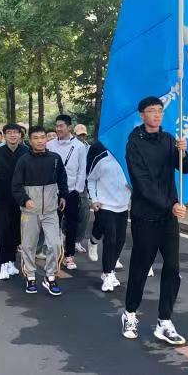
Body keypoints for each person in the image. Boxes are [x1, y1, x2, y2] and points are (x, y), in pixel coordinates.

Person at [121, 96, 188, 345]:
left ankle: (165, 321)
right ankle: (130, 313)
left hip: (168, 217)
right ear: (142, 115)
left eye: (160, 110)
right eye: (152, 111)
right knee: (140, 267)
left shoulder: (169, 140)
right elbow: (142, 184)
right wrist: (170, 204)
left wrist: (183, 152)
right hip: (145, 215)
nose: (157, 115)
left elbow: (185, 169)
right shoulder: (133, 143)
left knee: (172, 269)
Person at [12, 126, 68, 296]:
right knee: (28, 245)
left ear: (46, 139)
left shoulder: (55, 158)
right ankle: (30, 276)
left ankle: (50, 277)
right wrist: (25, 199)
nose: (40, 141)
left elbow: (62, 179)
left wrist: (63, 196)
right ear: (30, 140)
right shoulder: (23, 161)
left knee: (55, 244)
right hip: (30, 212)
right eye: (35, 138)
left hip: (51, 211)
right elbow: (16, 186)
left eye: (42, 137)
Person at [0, 123, 28, 280]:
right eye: (9, 132)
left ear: (20, 135)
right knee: (3, 230)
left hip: (21, 198)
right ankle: (3, 263)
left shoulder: (26, 152)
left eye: (16, 132)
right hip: (2, 197)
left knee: (16, 231)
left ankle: (11, 262)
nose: (13, 135)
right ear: (4, 135)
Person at [86, 142, 130, 292]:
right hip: (106, 205)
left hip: (123, 206)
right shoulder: (102, 159)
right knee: (110, 240)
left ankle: (109, 271)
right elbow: (91, 179)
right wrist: (94, 199)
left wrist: (132, 188)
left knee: (120, 240)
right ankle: (108, 273)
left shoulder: (130, 159)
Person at [46, 114, 87, 270]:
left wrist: (77, 190)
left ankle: (69, 255)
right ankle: (54, 253)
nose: (58, 129)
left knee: (71, 224)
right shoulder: (50, 145)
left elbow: (82, 170)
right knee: (52, 224)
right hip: (53, 191)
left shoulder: (79, 146)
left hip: (71, 192)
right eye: (57, 126)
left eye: (61, 126)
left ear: (69, 127)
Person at [73, 124, 92, 253]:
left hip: (84, 183)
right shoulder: (71, 146)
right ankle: (64, 236)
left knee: (84, 212)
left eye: (83, 135)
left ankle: (77, 240)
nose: (81, 137)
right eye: (79, 135)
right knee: (68, 213)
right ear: (74, 134)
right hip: (70, 183)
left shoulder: (89, 148)